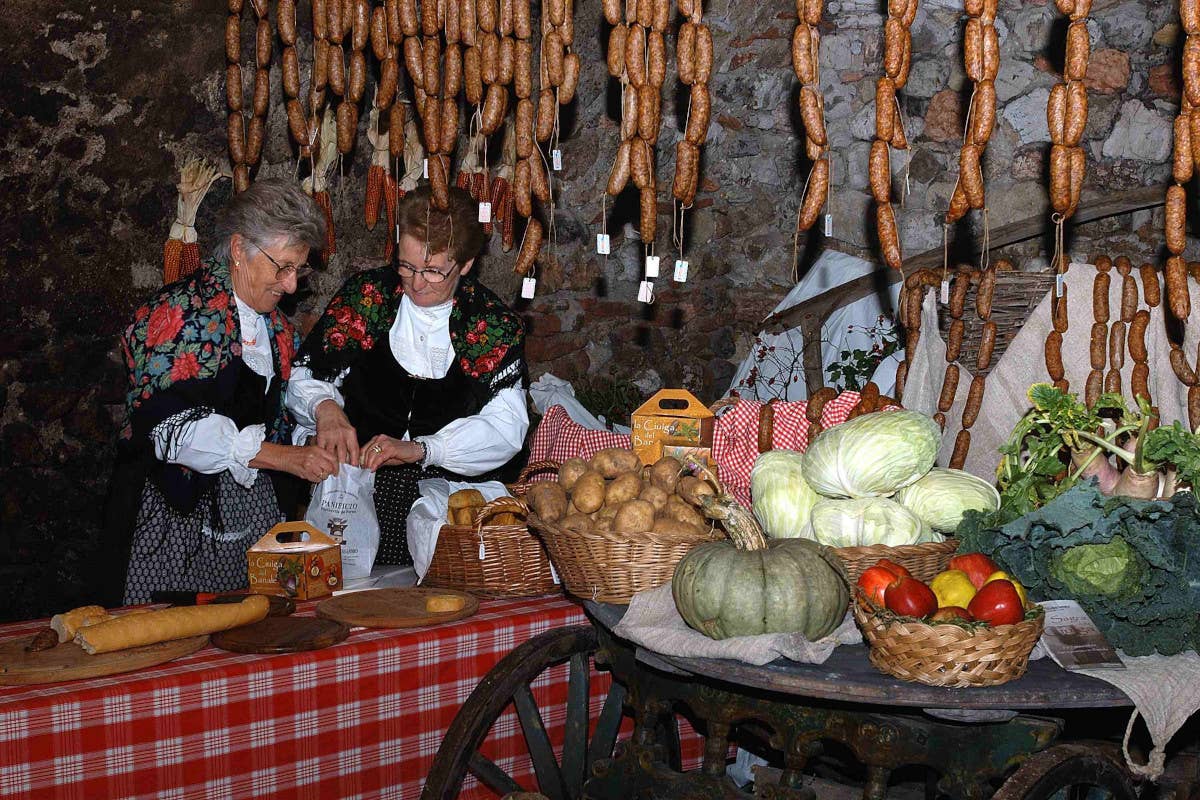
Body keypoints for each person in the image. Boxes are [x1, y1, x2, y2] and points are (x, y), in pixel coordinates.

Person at [104, 178, 340, 605]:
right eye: (282, 267)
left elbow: (276, 408)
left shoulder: (276, 327)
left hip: (251, 525)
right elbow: (166, 430)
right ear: (237, 250)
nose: (290, 285)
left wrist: (318, 420)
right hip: (173, 527)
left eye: (298, 270)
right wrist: (285, 458)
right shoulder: (175, 315)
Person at [287, 184, 529, 566]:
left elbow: (506, 427)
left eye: (433, 271)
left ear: (465, 265)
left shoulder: (490, 324)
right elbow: (306, 375)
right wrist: (325, 408)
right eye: (407, 265)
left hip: (446, 511)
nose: (416, 283)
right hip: (354, 500)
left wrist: (425, 449)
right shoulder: (368, 297)